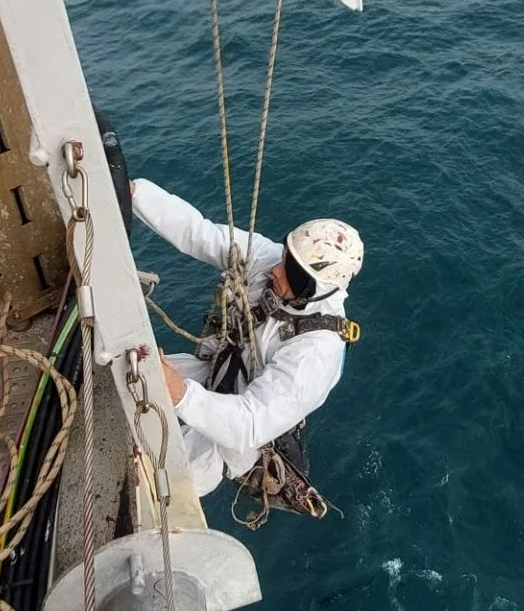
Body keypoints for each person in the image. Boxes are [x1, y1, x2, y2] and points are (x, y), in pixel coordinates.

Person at [130, 178, 364, 498]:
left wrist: (181, 395)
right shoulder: (271, 262)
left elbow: (248, 424)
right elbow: (200, 233)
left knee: (151, 485)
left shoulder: (316, 353)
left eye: (292, 273)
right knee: (133, 374)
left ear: (317, 290)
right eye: (285, 258)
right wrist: (136, 193)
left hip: (233, 437)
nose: (277, 271)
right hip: (219, 371)